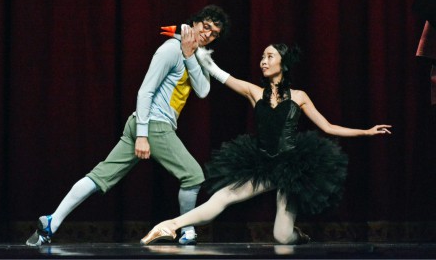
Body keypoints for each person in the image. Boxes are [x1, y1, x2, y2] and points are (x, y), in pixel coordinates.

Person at [140, 43, 392, 245]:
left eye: (270, 56)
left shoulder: (300, 96)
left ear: (283, 62)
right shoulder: (254, 92)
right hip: (262, 162)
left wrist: (366, 132)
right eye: (262, 56)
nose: (263, 60)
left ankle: (298, 236)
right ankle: (170, 225)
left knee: (282, 238)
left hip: (292, 166)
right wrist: (196, 49)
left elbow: (328, 127)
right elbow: (219, 74)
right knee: (222, 196)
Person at [26, 5, 231, 246]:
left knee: (100, 176)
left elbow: (203, 91)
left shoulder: (194, 54)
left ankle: (51, 221)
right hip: (153, 124)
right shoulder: (170, 49)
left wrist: (190, 55)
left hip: (145, 124)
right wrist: (143, 136)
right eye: (205, 27)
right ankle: (186, 229)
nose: (208, 34)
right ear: (194, 24)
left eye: (214, 33)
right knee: (194, 176)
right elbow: (145, 91)